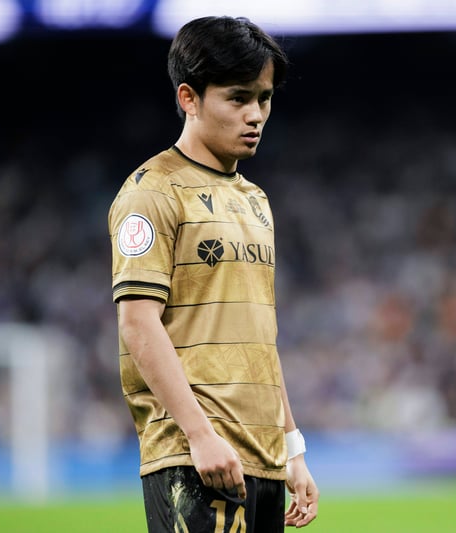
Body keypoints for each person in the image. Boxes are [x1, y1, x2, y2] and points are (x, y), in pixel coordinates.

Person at [108, 16, 318, 532]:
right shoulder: (152, 192)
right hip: (195, 457)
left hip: (262, 458)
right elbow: (138, 323)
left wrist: (291, 447)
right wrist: (201, 436)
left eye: (264, 98)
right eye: (238, 98)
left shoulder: (255, 201)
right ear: (190, 98)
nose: (256, 115)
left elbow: (258, 337)